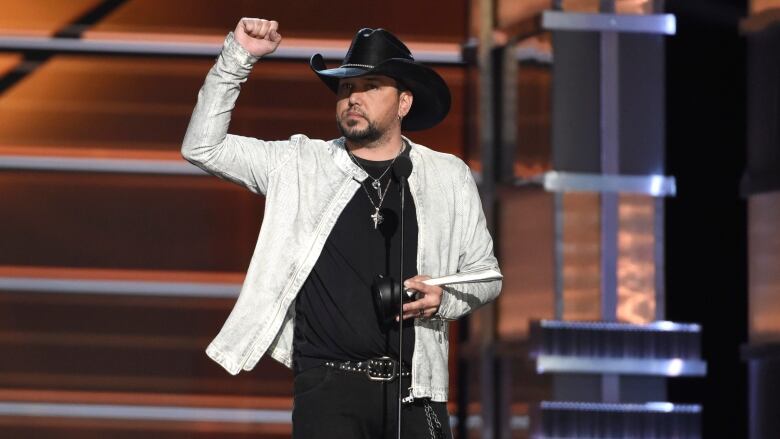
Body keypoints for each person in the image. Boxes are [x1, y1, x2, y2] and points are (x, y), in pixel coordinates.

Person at [182, 17, 502, 439]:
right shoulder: (299, 164)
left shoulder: (447, 175)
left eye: (370, 87)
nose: (354, 98)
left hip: (417, 388)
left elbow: (487, 275)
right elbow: (202, 146)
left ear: (404, 103)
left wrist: (444, 300)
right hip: (328, 388)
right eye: (347, 88)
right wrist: (237, 57)